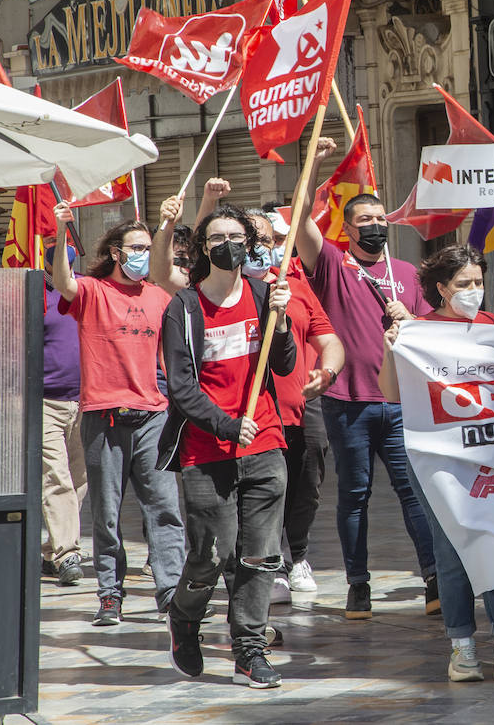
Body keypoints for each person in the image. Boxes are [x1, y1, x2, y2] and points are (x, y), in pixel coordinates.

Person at [379, 244, 494, 683]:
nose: (473, 291)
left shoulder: (492, 327)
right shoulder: (419, 330)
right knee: (450, 549)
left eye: (479, 283)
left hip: (490, 456)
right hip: (437, 461)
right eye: (463, 284)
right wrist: (392, 346)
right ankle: (462, 647)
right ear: (442, 288)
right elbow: (391, 393)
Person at [297, 136, 437, 620]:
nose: (375, 226)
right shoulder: (334, 265)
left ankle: (434, 578)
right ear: (348, 228)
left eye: (381, 220)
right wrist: (314, 166)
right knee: (353, 496)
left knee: (412, 493)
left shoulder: (406, 274)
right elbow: (299, 224)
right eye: (366, 221)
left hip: (399, 403)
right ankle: (358, 584)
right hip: (348, 401)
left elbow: (429, 332)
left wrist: (411, 321)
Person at [161, 206, 296, 688]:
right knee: (211, 556)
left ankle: (250, 650)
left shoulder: (264, 296)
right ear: (203, 247)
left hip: (265, 443)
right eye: (217, 237)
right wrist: (224, 424)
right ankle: (185, 615)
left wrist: (281, 323)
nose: (227, 244)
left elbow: (282, 364)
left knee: (260, 555)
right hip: (205, 451)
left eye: (236, 235)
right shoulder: (184, 308)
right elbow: (180, 384)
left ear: (250, 243)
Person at [49, 206, 186, 627]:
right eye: (136, 248)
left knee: (164, 509)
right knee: (106, 515)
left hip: (152, 416)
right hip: (104, 416)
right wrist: (59, 229)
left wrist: (166, 227)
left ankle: (170, 592)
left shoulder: (160, 296)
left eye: (147, 248)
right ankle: (110, 595)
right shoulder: (91, 290)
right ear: (115, 252)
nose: (143, 254)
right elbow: (63, 282)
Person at [244, 209, 344, 598]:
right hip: (252, 410)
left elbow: (329, 340)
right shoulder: (222, 290)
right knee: (266, 488)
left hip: (303, 406)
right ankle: (268, 562)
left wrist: (328, 372)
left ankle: (297, 553)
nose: (259, 250)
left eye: (265, 242)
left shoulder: (296, 287)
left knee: (307, 484)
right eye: (250, 242)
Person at [39, 239, 85, 586]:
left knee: (79, 480)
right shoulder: (34, 297)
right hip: (45, 403)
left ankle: (51, 549)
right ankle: (68, 553)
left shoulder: (85, 294)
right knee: (57, 478)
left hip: (84, 401)